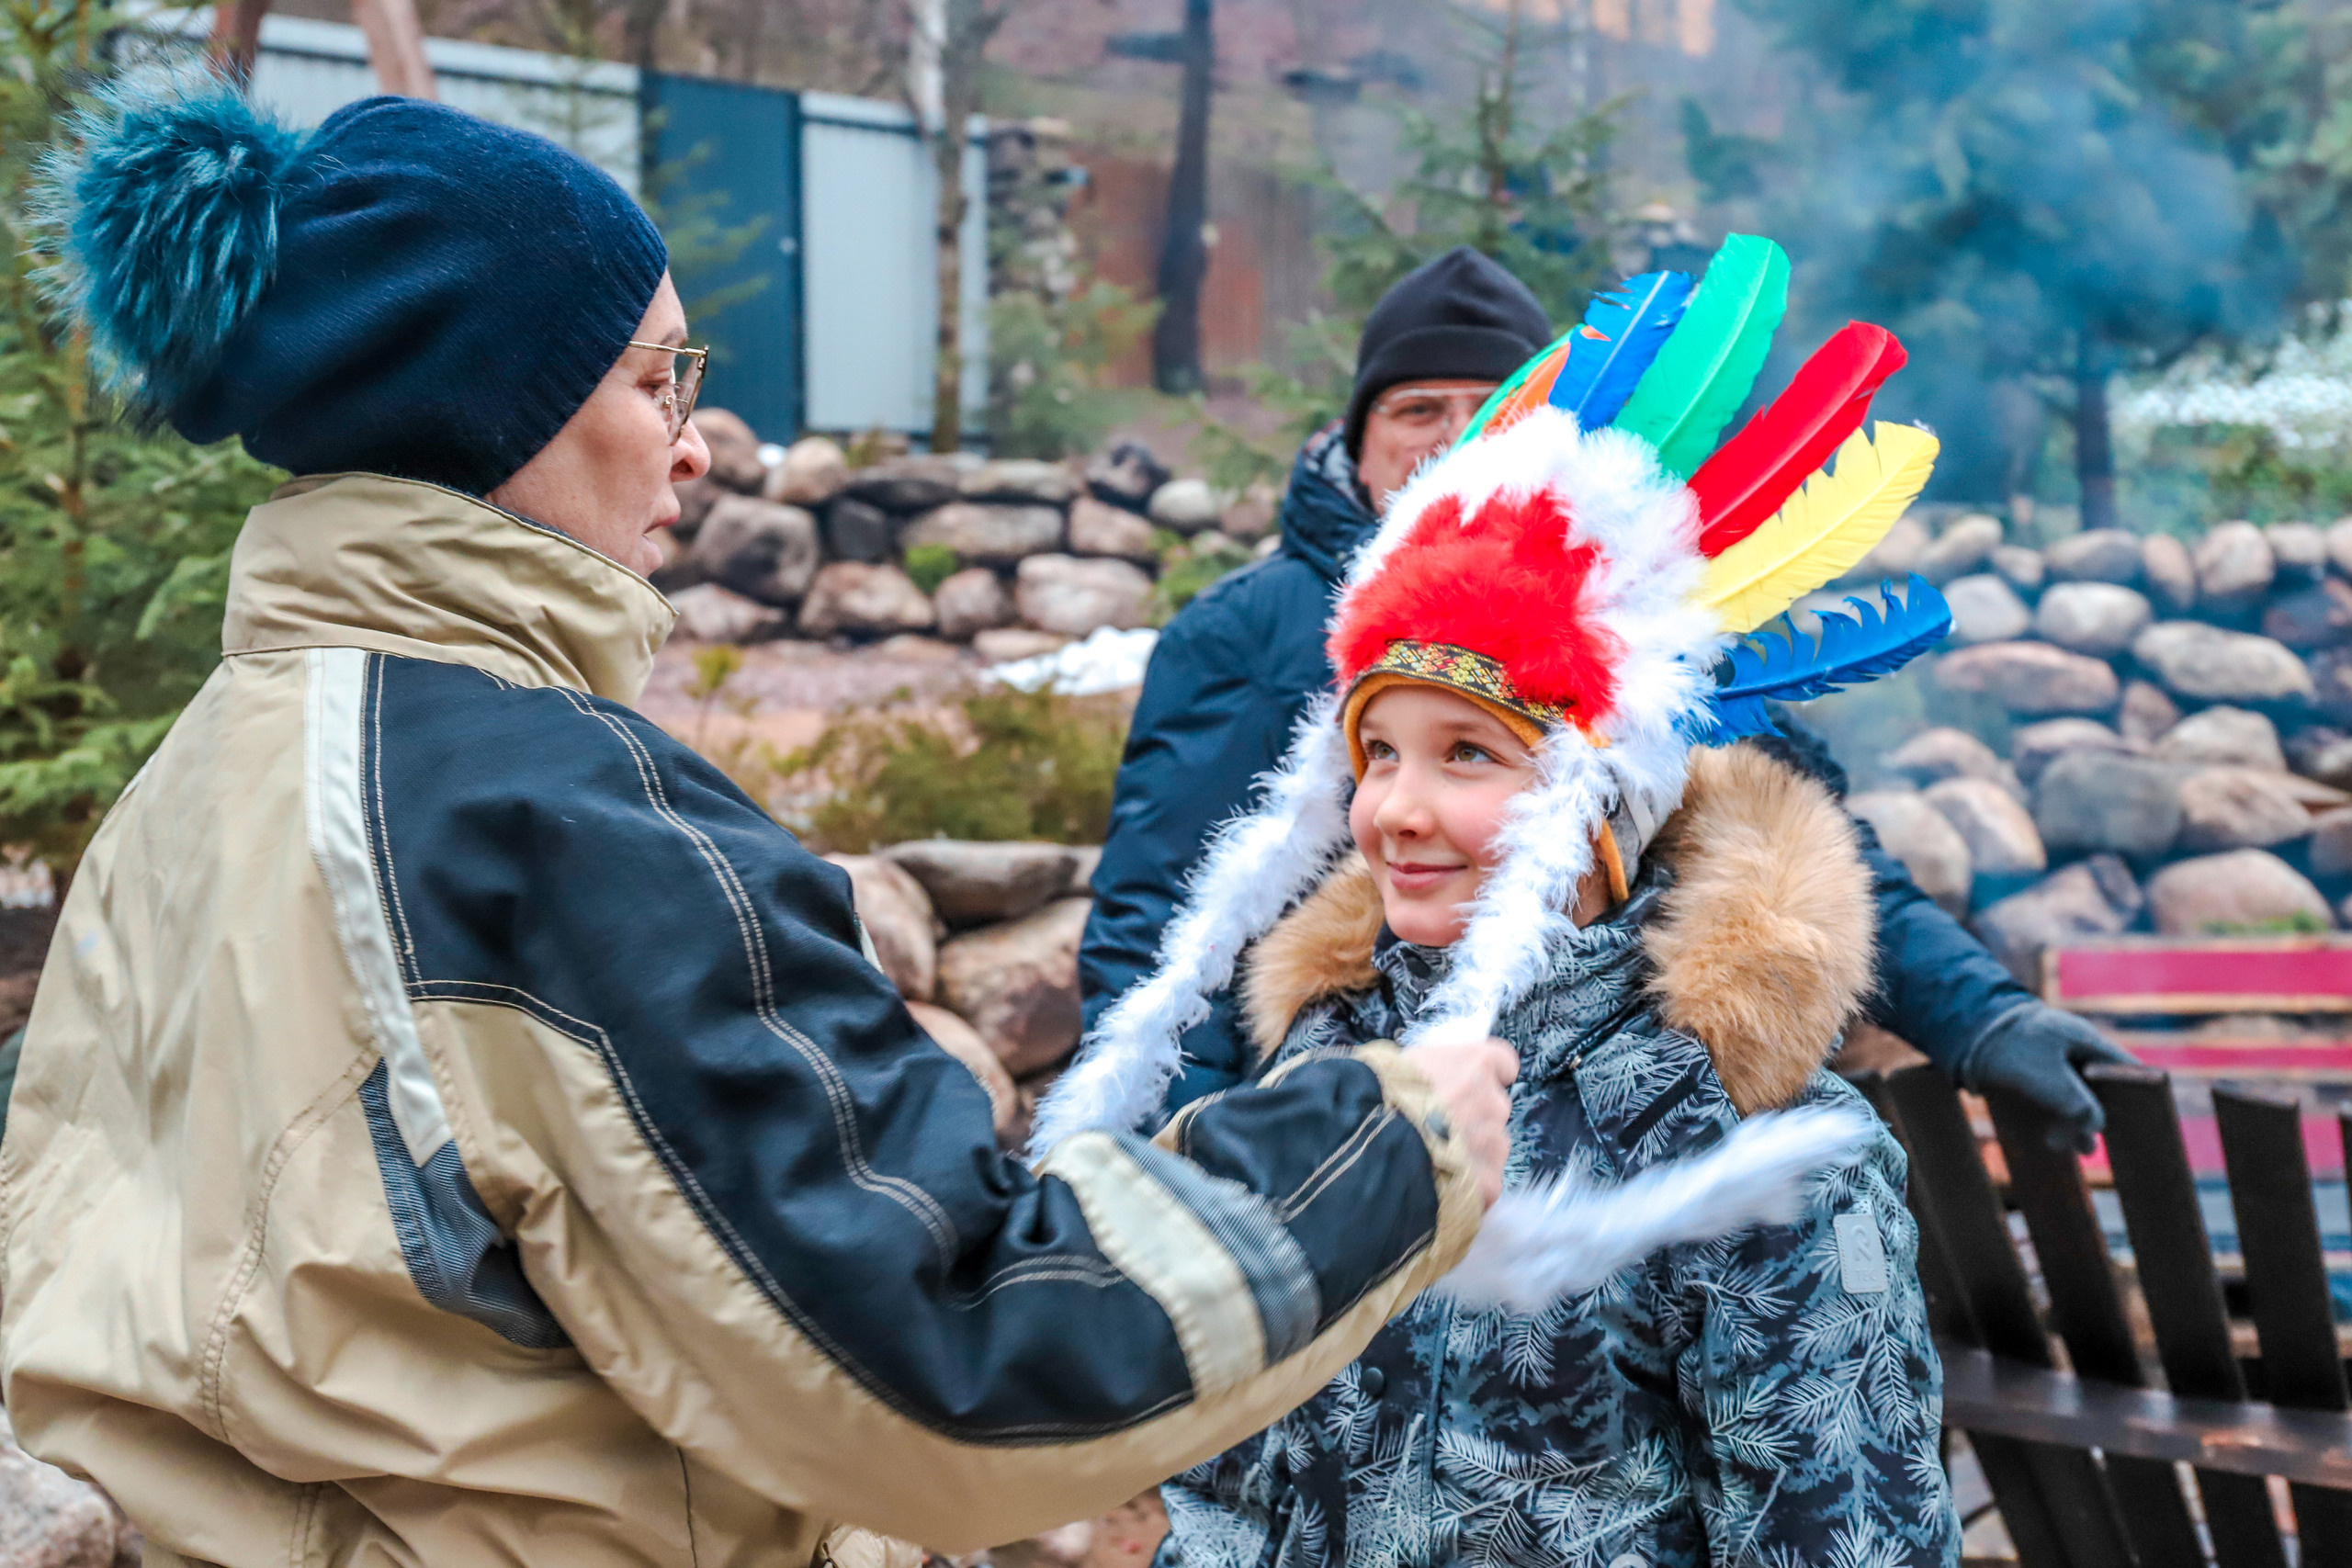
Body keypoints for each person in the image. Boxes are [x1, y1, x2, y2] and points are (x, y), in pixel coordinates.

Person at [0, 86, 1523, 1566]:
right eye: (654, 377)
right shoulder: (541, 815)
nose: (699, 439)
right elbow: (952, 1349)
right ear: (491, 404)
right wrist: (1389, 1143)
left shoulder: (207, 764)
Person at [1099, 281, 1963, 1563]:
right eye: (1376, 751)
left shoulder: (1759, 1157)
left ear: (1601, 798)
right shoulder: (1320, 1079)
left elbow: (1845, 1533)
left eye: (1467, 755)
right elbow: (1229, 1484)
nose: (1396, 806)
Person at [1080, 246, 2133, 1149]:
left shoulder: (1638, 628)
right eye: (1413, 411)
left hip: (1604, 1121)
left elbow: (1785, 831)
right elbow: (1158, 918)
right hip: (1330, 1128)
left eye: (1484, 409)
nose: (1450, 439)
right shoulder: (1245, 633)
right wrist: (1196, 1155)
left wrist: (1984, 1019)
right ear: (1357, 443)